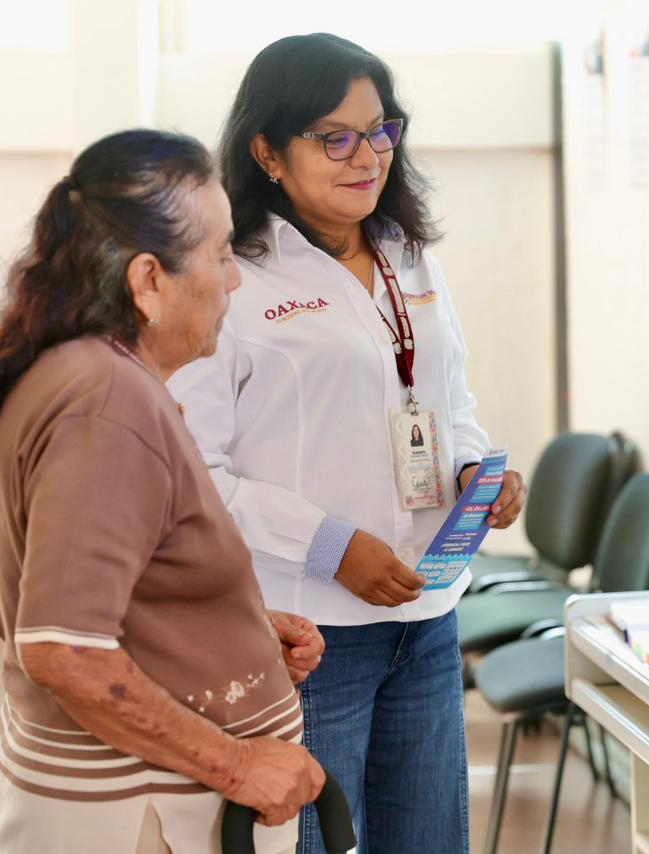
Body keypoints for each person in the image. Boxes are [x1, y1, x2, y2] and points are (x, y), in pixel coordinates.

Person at [168, 34, 528, 853]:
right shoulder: (235, 278)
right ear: (267, 150)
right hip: (307, 634)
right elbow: (196, 474)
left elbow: (448, 399)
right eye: (334, 136)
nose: (365, 155)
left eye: (380, 130)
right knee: (314, 841)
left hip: (428, 614)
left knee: (428, 840)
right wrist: (333, 547)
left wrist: (473, 467)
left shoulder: (409, 255)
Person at [0, 129, 327, 854]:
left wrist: (227, 626)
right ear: (148, 281)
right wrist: (239, 764)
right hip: (140, 813)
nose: (234, 279)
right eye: (219, 256)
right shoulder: (107, 402)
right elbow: (67, 650)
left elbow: (105, 590)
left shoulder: (87, 373)